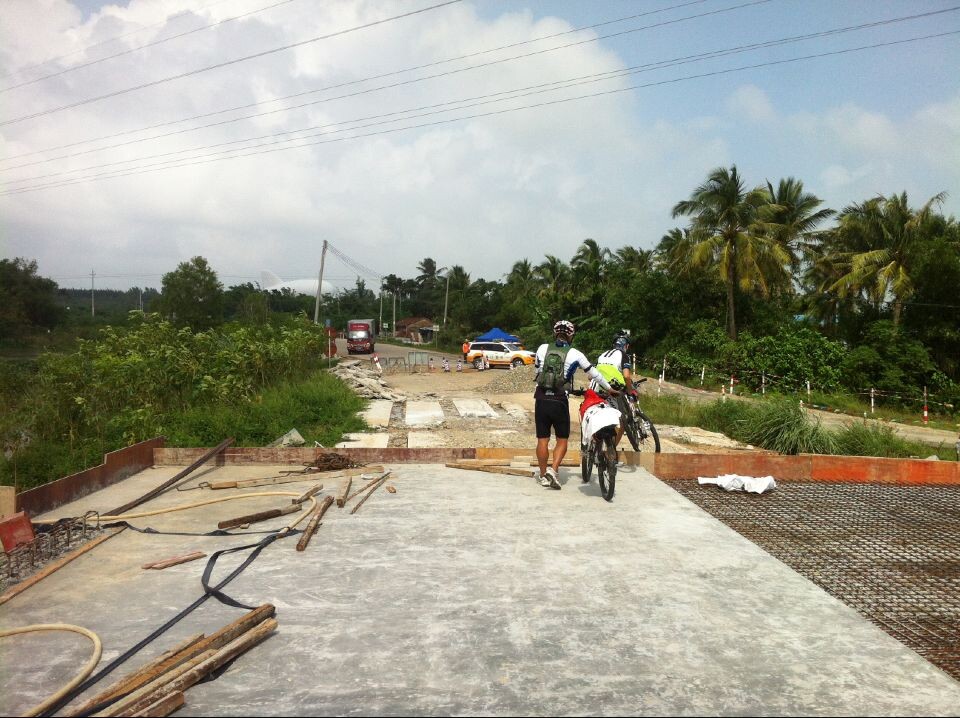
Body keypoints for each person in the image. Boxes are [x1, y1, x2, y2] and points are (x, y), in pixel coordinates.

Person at [533, 320, 615, 490]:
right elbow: (594, 373)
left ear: (555, 333)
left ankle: (542, 476)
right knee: (562, 439)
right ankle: (553, 470)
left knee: (542, 439)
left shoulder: (542, 348)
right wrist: (609, 388)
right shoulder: (575, 354)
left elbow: (537, 371)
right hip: (559, 400)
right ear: (571, 335)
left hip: (541, 398)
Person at [593, 331, 635, 448]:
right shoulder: (624, 356)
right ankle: (610, 450)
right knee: (622, 422)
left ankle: (594, 447)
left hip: (595, 389)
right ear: (626, 346)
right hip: (611, 391)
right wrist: (630, 391)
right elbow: (626, 376)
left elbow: (591, 376)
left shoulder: (602, 355)